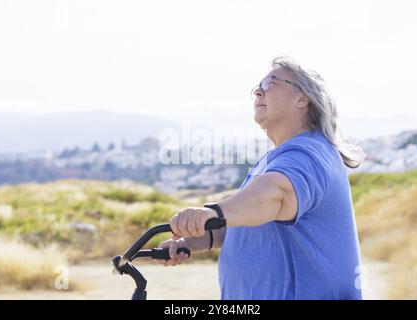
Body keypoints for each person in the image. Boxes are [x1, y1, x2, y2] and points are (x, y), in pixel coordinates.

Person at [155, 56, 365, 300]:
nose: (258, 92)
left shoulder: (309, 153)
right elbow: (242, 224)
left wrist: (214, 212)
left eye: (270, 84)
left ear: (302, 98)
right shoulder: (275, 158)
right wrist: (189, 243)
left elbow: (274, 196)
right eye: (256, 88)